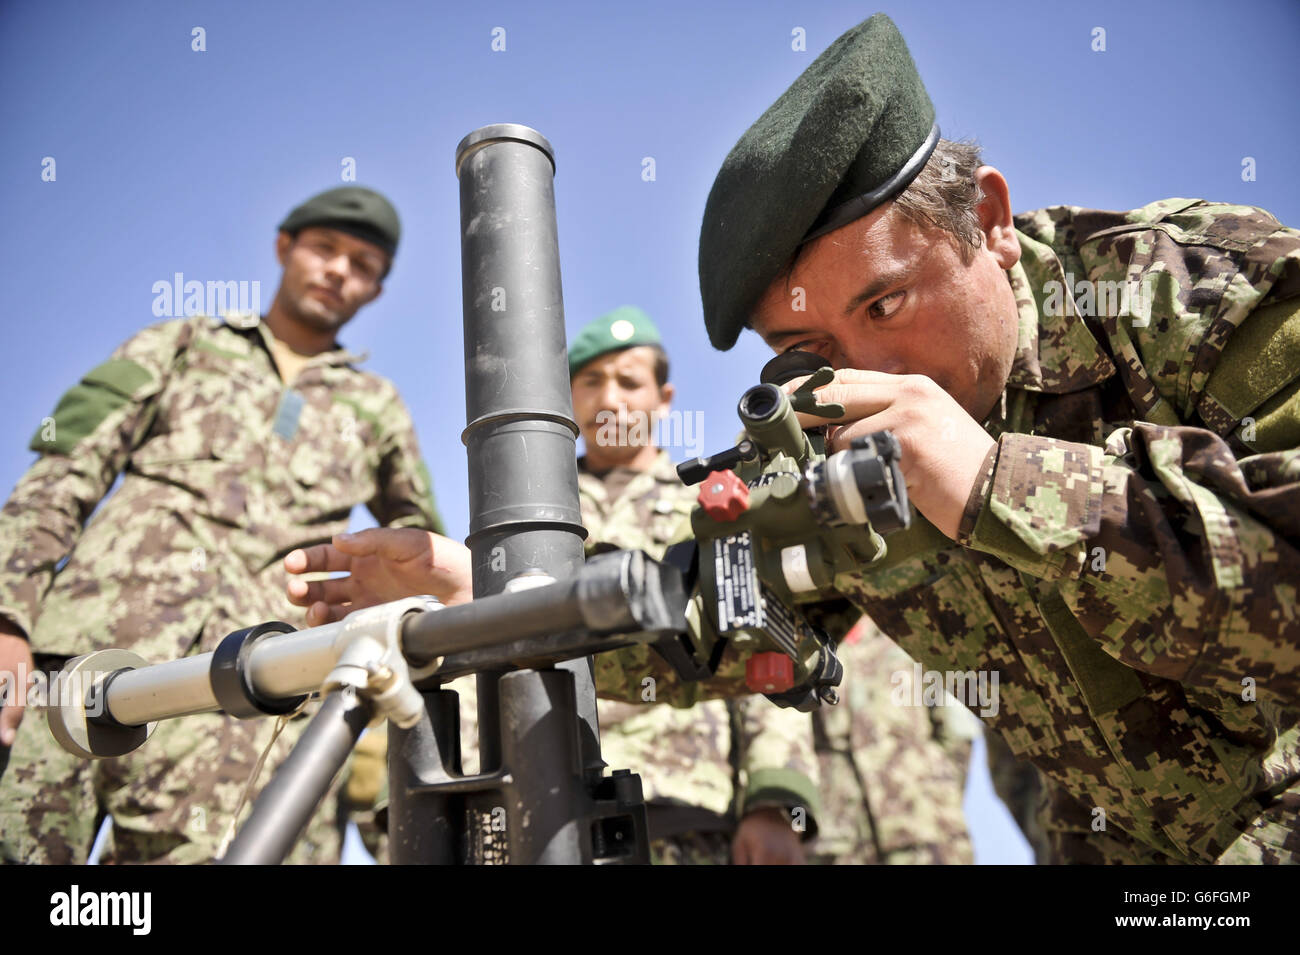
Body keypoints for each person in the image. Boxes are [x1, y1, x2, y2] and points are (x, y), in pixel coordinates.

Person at [693, 14, 1300, 863]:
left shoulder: (1199, 299)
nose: (870, 374)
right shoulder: (825, 441)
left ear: (989, 217)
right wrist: (501, 590)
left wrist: (994, 480)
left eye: (886, 305)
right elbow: (709, 612)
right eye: (813, 351)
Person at [292, 305, 983, 865]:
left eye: (628, 380)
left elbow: (764, 636)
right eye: (591, 383)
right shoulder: (530, 520)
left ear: (664, 396)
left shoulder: (719, 497)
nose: (610, 397)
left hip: (690, 805)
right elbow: (487, 661)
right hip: (537, 800)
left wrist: (775, 798)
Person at [0, 186, 446, 864]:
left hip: (245, 696)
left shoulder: (377, 406)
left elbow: (421, 557)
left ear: (375, 291)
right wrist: (8, 620)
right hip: (81, 669)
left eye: (362, 264)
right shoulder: (181, 343)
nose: (338, 271)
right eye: (325, 248)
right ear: (283, 247)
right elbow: (63, 478)